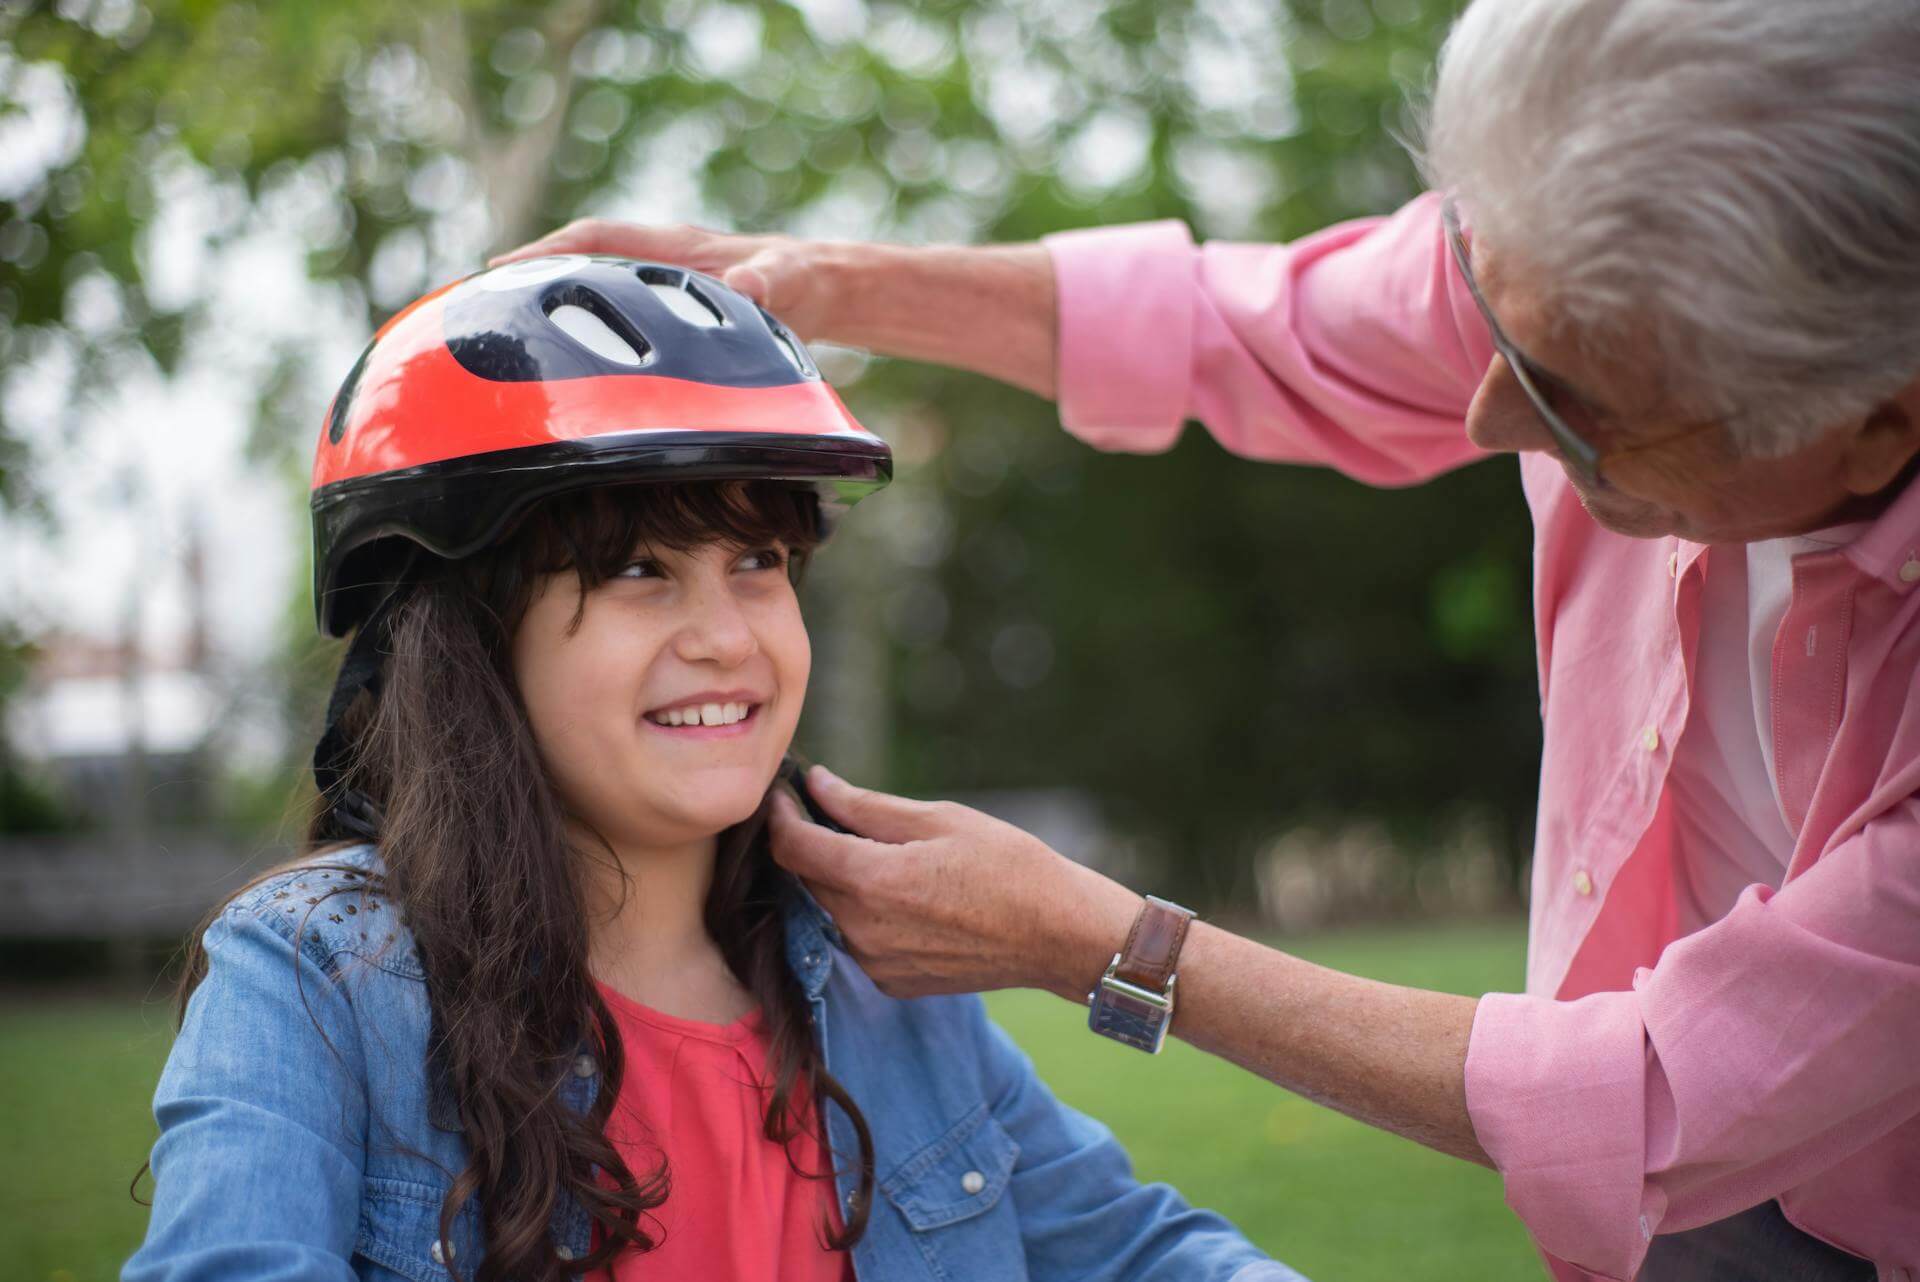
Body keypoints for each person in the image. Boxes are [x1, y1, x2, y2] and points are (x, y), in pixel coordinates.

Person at [493, 1, 1920, 1278]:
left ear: (1877, 422)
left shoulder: (861, 1001)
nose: (1487, 416)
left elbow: (1656, 1092)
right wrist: (823, 279)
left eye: (1577, 408)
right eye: (636, 569)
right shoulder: (373, 1011)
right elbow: (1242, 326)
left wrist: (1104, 944)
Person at [123, 255, 1304, 1282]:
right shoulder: (316, 977)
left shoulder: (882, 970)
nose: (730, 638)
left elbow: (1135, 1252)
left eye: (758, 559)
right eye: (638, 569)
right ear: (467, 639)